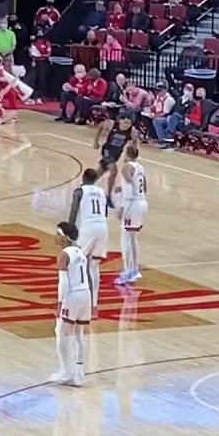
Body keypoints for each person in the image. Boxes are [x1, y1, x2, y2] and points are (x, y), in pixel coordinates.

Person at [52, 221, 90, 387]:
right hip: (85, 293)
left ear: (64, 237)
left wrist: (60, 304)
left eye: (57, 234)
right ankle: (79, 373)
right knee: (79, 334)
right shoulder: (80, 252)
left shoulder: (64, 254)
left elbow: (64, 283)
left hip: (72, 295)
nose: (55, 237)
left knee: (61, 332)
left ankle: (66, 372)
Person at [67, 169, 108, 311]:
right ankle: (94, 304)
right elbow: (105, 212)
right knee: (94, 266)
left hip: (88, 228)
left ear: (83, 178)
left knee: (77, 263)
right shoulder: (102, 192)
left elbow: (73, 212)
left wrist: (70, 231)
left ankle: (78, 299)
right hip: (102, 228)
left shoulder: (79, 191)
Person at [115, 145, 147, 285]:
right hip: (142, 202)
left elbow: (129, 183)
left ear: (127, 154)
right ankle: (134, 269)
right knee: (132, 238)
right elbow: (143, 187)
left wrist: (122, 206)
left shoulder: (126, 167)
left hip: (132, 204)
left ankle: (129, 271)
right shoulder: (140, 167)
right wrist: (121, 188)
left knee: (126, 238)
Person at [94, 113, 137, 209]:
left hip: (116, 154)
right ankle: (108, 195)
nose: (127, 125)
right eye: (125, 122)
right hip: (107, 151)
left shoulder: (132, 131)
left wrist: (130, 155)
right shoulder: (112, 124)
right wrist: (96, 141)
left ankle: (86, 184)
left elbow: (134, 142)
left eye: (129, 123)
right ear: (120, 121)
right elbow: (100, 125)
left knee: (101, 171)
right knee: (114, 171)